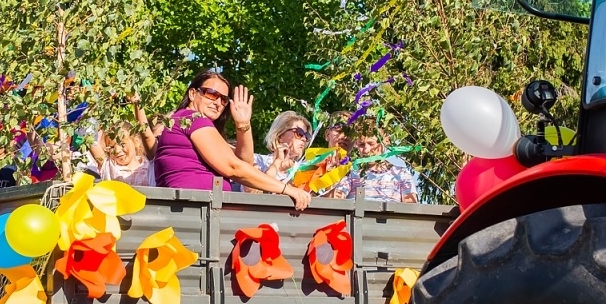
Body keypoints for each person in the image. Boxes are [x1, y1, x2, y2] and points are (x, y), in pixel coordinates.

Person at [152, 69, 312, 210]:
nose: (217, 103)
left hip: (197, 210)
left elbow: (245, 160)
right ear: (193, 93)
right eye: (211, 94)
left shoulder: (189, 123)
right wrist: (286, 189)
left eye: (223, 99)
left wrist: (243, 125)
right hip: (194, 211)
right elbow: (234, 167)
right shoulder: (192, 119)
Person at [333, 117, 419, 203]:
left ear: (386, 141)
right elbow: (336, 200)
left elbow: (410, 208)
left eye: (371, 143)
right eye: (361, 145)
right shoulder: (351, 173)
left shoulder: (401, 174)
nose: (366, 150)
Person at [250, 111, 314, 191]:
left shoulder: (305, 169)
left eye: (307, 136)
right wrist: (277, 162)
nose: (304, 139)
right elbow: (255, 193)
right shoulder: (257, 160)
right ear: (280, 135)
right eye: (299, 133)